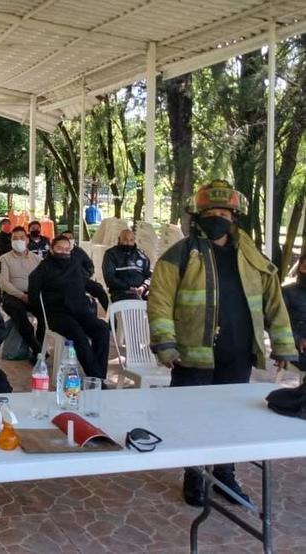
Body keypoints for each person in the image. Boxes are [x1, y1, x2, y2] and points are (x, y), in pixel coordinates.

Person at [148, 180, 297, 508]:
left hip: (238, 351)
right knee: (192, 417)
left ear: (234, 217)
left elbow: (274, 302)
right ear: (198, 216)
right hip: (191, 355)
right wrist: (165, 344)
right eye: (211, 212)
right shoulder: (180, 254)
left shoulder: (252, 257)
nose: (218, 217)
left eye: (224, 212)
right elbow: (159, 301)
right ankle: (195, 476)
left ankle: (225, 475)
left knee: (231, 420)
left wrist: (284, 346)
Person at [28, 235, 110, 380]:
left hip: (80, 311)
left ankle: (99, 377)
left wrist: (103, 296)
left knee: (102, 329)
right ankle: (95, 376)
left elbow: (88, 283)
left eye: (67, 249)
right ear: (52, 249)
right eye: (60, 248)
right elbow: (33, 298)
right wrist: (43, 318)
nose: (64, 252)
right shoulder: (43, 269)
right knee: (77, 334)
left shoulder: (74, 265)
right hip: (58, 314)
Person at [0, 226, 42, 356]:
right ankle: (36, 348)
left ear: (27, 240)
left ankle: (40, 346)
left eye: (22, 238)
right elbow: (3, 283)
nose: (18, 241)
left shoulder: (37, 259)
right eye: (14, 238)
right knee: (19, 312)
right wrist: (22, 296)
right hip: (12, 296)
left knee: (45, 314)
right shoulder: (4, 259)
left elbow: (45, 279)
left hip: (33, 295)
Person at [102, 229, 151, 302]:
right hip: (121, 292)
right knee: (134, 300)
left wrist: (144, 287)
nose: (128, 243)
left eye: (131, 240)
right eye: (125, 240)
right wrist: (129, 288)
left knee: (158, 300)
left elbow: (149, 276)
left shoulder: (141, 255)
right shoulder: (111, 254)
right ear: (119, 239)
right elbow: (110, 278)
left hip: (142, 291)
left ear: (134, 240)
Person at [283, 254, 306, 371]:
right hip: (298, 349)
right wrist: (297, 340)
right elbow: (275, 324)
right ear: (302, 267)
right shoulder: (287, 292)